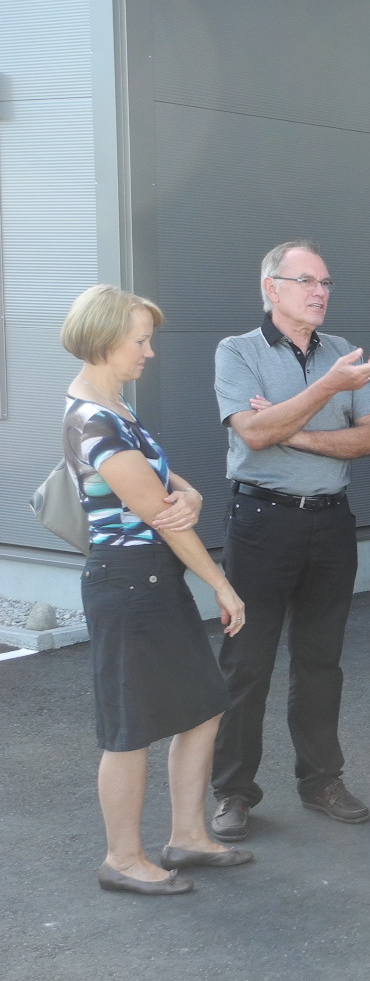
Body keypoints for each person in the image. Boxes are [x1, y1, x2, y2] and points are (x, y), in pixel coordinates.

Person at [61, 285, 253, 895]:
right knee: (130, 728)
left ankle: (188, 837)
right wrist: (222, 584)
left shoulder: (114, 407)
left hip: (148, 580)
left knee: (203, 704)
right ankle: (122, 859)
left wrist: (189, 493)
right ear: (104, 339)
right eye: (140, 341)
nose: (149, 352)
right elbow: (161, 517)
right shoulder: (93, 418)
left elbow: (163, 485)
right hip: (127, 584)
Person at [210, 240, 370, 841]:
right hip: (262, 521)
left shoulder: (343, 352)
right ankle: (234, 791)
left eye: (326, 282)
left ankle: (321, 781)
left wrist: (294, 431)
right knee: (246, 662)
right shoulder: (237, 351)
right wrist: (326, 392)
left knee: (320, 662)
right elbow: (253, 434)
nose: (320, 292)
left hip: (331, 523)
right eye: (306, 280)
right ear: (272, 288)